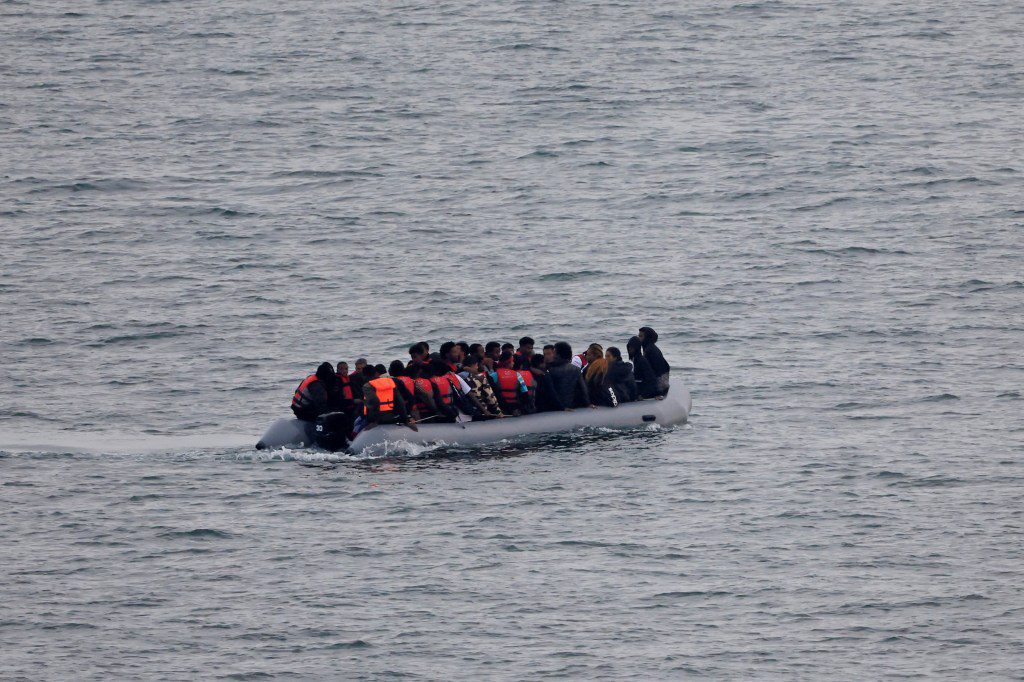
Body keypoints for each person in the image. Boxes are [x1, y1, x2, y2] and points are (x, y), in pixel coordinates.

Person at [358, 365, 416, 433]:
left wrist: (374, 422)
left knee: (358, 425)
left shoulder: (367, 386)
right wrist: (405, 420)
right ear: (375, 373)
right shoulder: (390, 382)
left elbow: (374, 402)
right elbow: (401, 402)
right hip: (393, 417)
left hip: (376, 419)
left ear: (364, 376)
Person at [546, 342, 591, 410]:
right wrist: (588, 404)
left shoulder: (551, 370)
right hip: (572, 405)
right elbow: (583, 389)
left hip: (555, 407)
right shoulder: (576, 369)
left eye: (554, 352)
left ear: (558, 355)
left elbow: (551, 392)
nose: (553, 355)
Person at [492, 351, 530, 416]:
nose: (513, 363)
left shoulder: (493, 375)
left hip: (500, 407)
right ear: (508, 363)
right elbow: (525, 393)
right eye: (512, 361)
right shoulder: (517, 375)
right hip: (514, 407)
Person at [638, 326, 670, 396]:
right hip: (664, 384)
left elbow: (648, 373)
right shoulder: (653, 348)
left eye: (641, 336)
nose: (638, 339)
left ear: (647, 337)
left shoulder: (649, 351)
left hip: (659, 387)